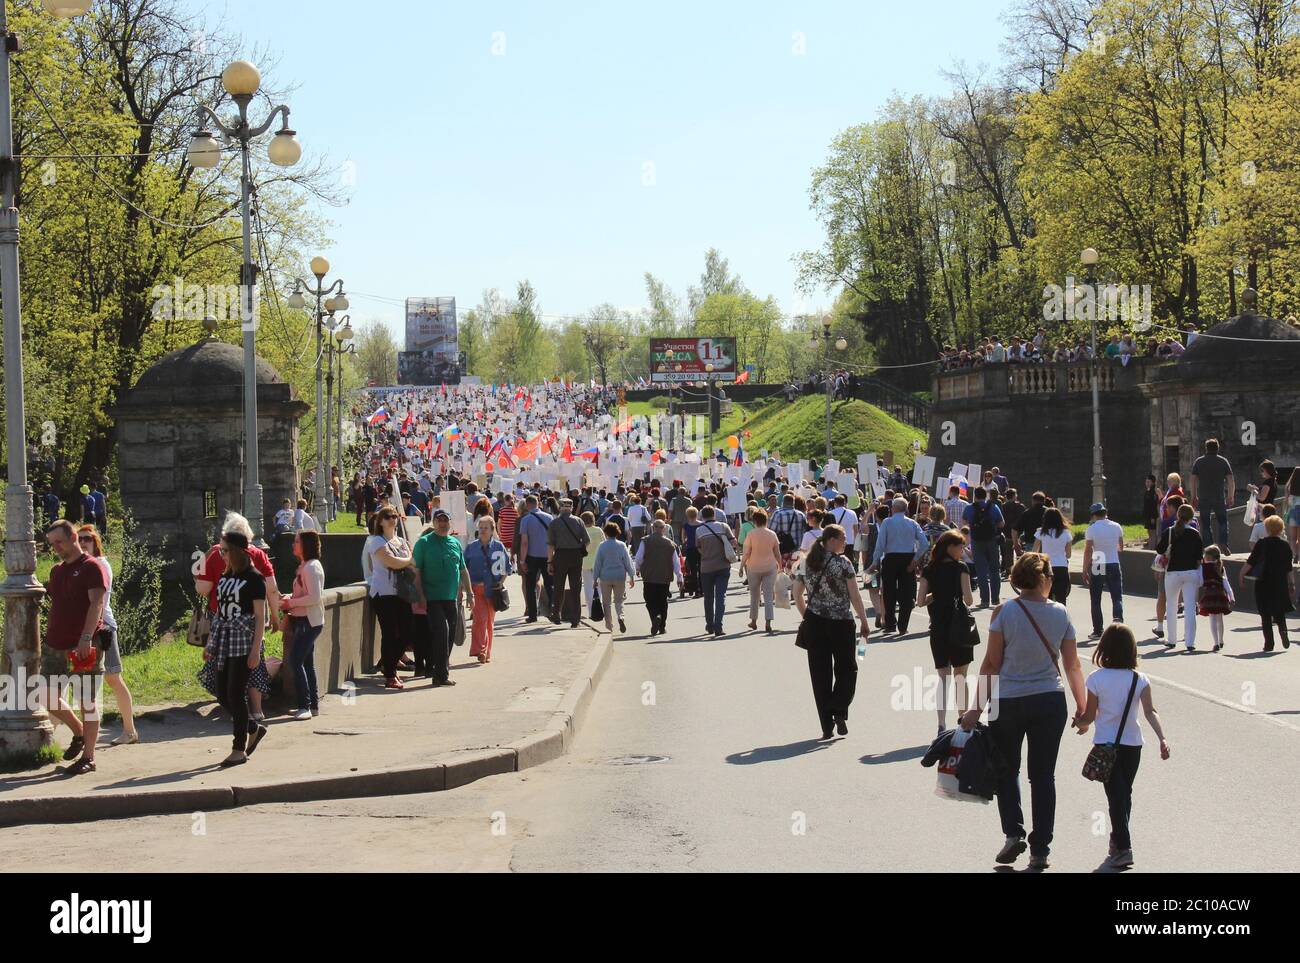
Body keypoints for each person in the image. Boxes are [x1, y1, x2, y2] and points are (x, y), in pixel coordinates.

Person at [961, 553, 1086, 871]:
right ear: (1044, 578)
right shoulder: (1061, 613)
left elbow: (991, 663)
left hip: (1008, 701)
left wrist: (974, 710)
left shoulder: (1004, 612)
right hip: (1049, 701)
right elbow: (1072, 664)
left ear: (1018, 577)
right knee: (1043, 776)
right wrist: (1083, 706)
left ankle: (1013, 834)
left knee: (1007, 770)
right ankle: (1040, 848)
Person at [1073, 624, 1170, 869]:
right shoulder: (1140, 679)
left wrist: (1079, 722)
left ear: (1104, 648)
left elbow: (1090, 716)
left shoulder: (1096, 679)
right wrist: (1162, 738)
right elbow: (1150, 712)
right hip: (1133, 746)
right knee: (1123, 794)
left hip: (1106, 747)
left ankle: (1124, 848)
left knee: (1116, 796)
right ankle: (1118, 841)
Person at [196, 513, 278, 722]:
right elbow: (272, 588)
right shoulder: (258, 554)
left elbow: (203, 589)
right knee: (254, 664)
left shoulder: (214, 553)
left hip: (224, 620)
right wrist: (276, 616)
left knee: (229, 668)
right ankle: (257, 710)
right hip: (252, 621)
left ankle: (237, 710)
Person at [41, 520, 108, 775]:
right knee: (44, 696)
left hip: (84, 646)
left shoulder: (92, 567)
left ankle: (88, 758)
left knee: (87, 701)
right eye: (52, 543)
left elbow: (96, 604)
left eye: (59, 541)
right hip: (55, 645)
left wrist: (86, 637)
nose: (55, 547)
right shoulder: (57, 571)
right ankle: (79, 731)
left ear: (73, 539)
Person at [793, 525, 871, 740]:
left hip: (815, 623)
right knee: (848, 668)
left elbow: (796, 594)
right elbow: (855, 597)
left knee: (820, 675)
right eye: (843, 538)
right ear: (831, 540)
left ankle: (826, 726)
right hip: (841, 623)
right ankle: (838, 707)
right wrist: (864, 621)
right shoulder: (843, 563)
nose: (846, 541)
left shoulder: (805, 561)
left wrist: (806, 616)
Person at [204, 526, 269, 768]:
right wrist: (210, 643)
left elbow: (260, 617)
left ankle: (238, 748)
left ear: (237, 551)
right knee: (222, 693)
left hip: (243, 641)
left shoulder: (254, 578)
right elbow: (220, 613)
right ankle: (252, 728)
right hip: (223, 640)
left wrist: (255, 650)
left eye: (224, 550)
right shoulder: (225, 576)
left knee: (235, 692)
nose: (221, 555)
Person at [75, 525, 138, 746]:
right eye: (79, 538)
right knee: (78, 682)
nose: (83, 542)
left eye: (88, 539)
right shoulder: (80, 566)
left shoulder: (100, 564)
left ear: (95, 542)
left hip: (103, 629)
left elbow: (99, 602)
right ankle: (78, 732)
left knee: (112, 678)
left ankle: (129, 731)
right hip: (86, 631)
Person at [915, 530, 975, 734]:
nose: (963, 550)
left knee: (943, 677)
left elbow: (920, 601)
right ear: (950, 547)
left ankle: (941, 723)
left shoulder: (929, 569)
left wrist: (937, 594)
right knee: (961, 676)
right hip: (959, 627)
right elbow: (968, 600)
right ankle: (963, 718)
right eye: (960, 546)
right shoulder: (961, 568)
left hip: (938, 628)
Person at [414, 509, 472, 686]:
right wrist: (421, 595)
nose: (442, 523)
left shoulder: (454, 543)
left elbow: (463, 570)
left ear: (450, 523)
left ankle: (438, 666)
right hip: (432, 597)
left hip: (451, 597)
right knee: (441, 631)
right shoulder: (423, 543)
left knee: (450, 635)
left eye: (445, 520)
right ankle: (440, 675)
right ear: (433, 522)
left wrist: (470, 593)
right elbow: (416, 573)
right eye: (439, 520)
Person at [367, 508, 415, 688]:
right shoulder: (376, 541)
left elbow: (413, 562)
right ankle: (390, 674)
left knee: (407, 632)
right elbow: (391, 561)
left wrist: (409, 560)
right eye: (387, 517)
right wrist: (408, 559)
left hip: (402, 593)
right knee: (390, 633)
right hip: (383, 593)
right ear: (380, 521)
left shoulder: (402, 541)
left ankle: (388, 662)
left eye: (394, 516)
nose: (392, 519)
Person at [867, 497, 928, 634]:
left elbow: (880, 545)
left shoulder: (887, 523)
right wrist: (915, 559)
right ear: (906, 509)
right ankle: (903, 626)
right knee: (907, 594)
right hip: (907, 558)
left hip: (891, 558)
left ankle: (890, 624)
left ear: (893, 509)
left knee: (888, 592)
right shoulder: (912, 523)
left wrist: (875, 562)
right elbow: (924, 543)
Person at [280, 531, 325, 718]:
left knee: (295, 661)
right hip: (304, 620)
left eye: (297, 541)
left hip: (309, 621)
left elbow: (315, 597)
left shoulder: (311, 567)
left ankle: (305, 706)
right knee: (306, 663)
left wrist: (291, 603)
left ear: (305, 545)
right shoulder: (306, 566)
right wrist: (290, 598)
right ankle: (311, 706)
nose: (293, 544)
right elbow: (305, 594)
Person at [1241, 514, 1294, 651]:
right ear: (1281, 528)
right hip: (1280, 582)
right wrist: (1292, 584)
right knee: (1279, 610)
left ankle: (1269, 644)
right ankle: (1283, 632)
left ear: (1267, 528)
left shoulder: (1262, 543)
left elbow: (1251, 562)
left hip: (1263, 581)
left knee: (1265, 613)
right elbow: (1289, 568)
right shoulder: (1285, 546)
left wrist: (1241, 574)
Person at [1156, 504, 1203, 652]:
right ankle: (1190, 642)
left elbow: (1159, 549)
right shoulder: (1195, 533)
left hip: (1173, 572)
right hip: (1190, 572)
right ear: (1191, 517)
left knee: (1171, 605)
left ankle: (1171, 640)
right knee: (1190, 606)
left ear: (1178, 516)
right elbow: (1199, 556)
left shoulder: (1170, 531)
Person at [465, 515, 512, 663]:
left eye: (486, 528)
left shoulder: (499, 547)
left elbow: (507, 568)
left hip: (492, 590)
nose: (483, 530)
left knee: (489, 622)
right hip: (476, 589)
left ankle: (486, 652)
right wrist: (464, 589)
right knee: (481, 619)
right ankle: (480, 650)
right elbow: (462, 568)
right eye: (481, 528)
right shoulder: (471, 547)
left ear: (492, 530)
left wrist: (501, 582)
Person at [1082, 502, 1125, 640]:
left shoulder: (1092, 529)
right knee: (1116, 596)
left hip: (1099, 561)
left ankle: (1098, 630)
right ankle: (1118, 625)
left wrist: (1084, 569)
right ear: (1105, 513)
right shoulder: (1116, 526)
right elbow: (1121, 547)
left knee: (1096, 598)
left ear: (1094, 515)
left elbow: (1088, 550)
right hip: (1113, 561)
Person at [548, 498, 591, 628]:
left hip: (560, 555)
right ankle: (575, 619)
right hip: (576, 556)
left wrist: (549, 561)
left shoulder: (554, 523)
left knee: (558, 586)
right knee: (575, 588)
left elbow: (550, 546)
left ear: (560, 507)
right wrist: (580, 550)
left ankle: (556, 615)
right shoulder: (579, 521)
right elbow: (587, 541)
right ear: (571, 508)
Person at [635, 519, 683, 636]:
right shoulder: (670, 544)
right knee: (663, 602)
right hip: (664, 577)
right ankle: (662, 626)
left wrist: (637, 568)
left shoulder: (645, 541)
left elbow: (639, 557)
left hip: (649, 576)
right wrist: (679, 577)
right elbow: (676, 562)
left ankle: (655, 617)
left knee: (649, 600)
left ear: (652, 528)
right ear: (664, 529)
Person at [696, 505, 738, 636]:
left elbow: (698, 548)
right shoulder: (723, 526)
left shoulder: (699, 530)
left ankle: (709, 625)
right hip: (723, 566)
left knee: (708, 597)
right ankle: (718, 625)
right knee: (721, 597)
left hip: (706, 567)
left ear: (702, 516)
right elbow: (734, 542)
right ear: (714, 514)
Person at [962, 487, 1004, 608]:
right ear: (986, 496)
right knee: (995, 570)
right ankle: (995, 599)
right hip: (992, 540)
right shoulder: (993, 507)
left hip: (976, 541)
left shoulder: (969, 508)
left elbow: (964, 523)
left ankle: (984, 600)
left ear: (975, 495)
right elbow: (1002, 523)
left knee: (981, 570)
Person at [741, 507, 782, 633]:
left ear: (754, 521)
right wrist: (780, 566)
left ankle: (753, 621)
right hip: (770, 567)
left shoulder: (751, 534)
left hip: (753, 567)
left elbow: (747, 552)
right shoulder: (772, 534)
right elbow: (777, 553)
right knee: (769, 595)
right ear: (766, 520)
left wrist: (742, 565)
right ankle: (768, 621)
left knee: (754, 595)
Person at [1189, 438, 1234, 550]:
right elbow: (1230, 480)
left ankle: (1209, 547)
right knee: (1223, 521)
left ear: (1206, 448)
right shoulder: (1223, 461)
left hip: (1204, 497)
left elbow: (1193, 479)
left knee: (1206, 523)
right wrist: (1230, 496)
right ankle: (1223, 542)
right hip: (1219, 497)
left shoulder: (1199, 462)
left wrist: (1194, 496)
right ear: (1218, 448)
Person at [516, 495, 555, 623]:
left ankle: (532, 615)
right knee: (550, 585)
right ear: (538, 503)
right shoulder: (549, 518)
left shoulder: (525, 520)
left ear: (527, 505)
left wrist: (522, 560)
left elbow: (524, 542)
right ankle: (554, 611)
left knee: (530, 585)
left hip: (532, 557)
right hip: (547, 556)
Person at [593, 521, 636, 634]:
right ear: (617, 533)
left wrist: (594, 579)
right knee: (619, 600)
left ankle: (609, 626)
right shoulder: (621, 545)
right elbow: (628, 561)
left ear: (606, 533)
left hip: (605, 577)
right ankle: (621, 617)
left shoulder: (602, 546)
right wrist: (631, 576)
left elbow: (598, 563)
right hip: (619, 576)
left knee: (606, 603)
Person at [1198, 545, 1234, 652]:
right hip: (1220, 594)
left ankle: (1216, 642)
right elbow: (1225, 583)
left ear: (1208, 557)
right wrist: (1231, 596)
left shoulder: (1203, 567)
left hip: (1209, 594)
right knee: (1219, 618)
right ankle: (1221, 640)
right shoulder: (1220, 567)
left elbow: (1200, 581)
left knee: (1212, 618)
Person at [1033, 507, 1073, 604]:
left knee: (1046, 596)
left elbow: (1034, 551)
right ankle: (1061, 617)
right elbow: (1068, 555)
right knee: (1061, 597)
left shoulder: (1041, 532)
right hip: (1061, 567)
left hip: (1046, 566)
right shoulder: (1066, 533)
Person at [580, 511, 603, 617]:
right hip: (598, 562)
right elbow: (603, 544)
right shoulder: (598, 530)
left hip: (585, 562)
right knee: (599, 587)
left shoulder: (581, 531)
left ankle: (591, 611)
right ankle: (599, 607)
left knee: (588, 587)